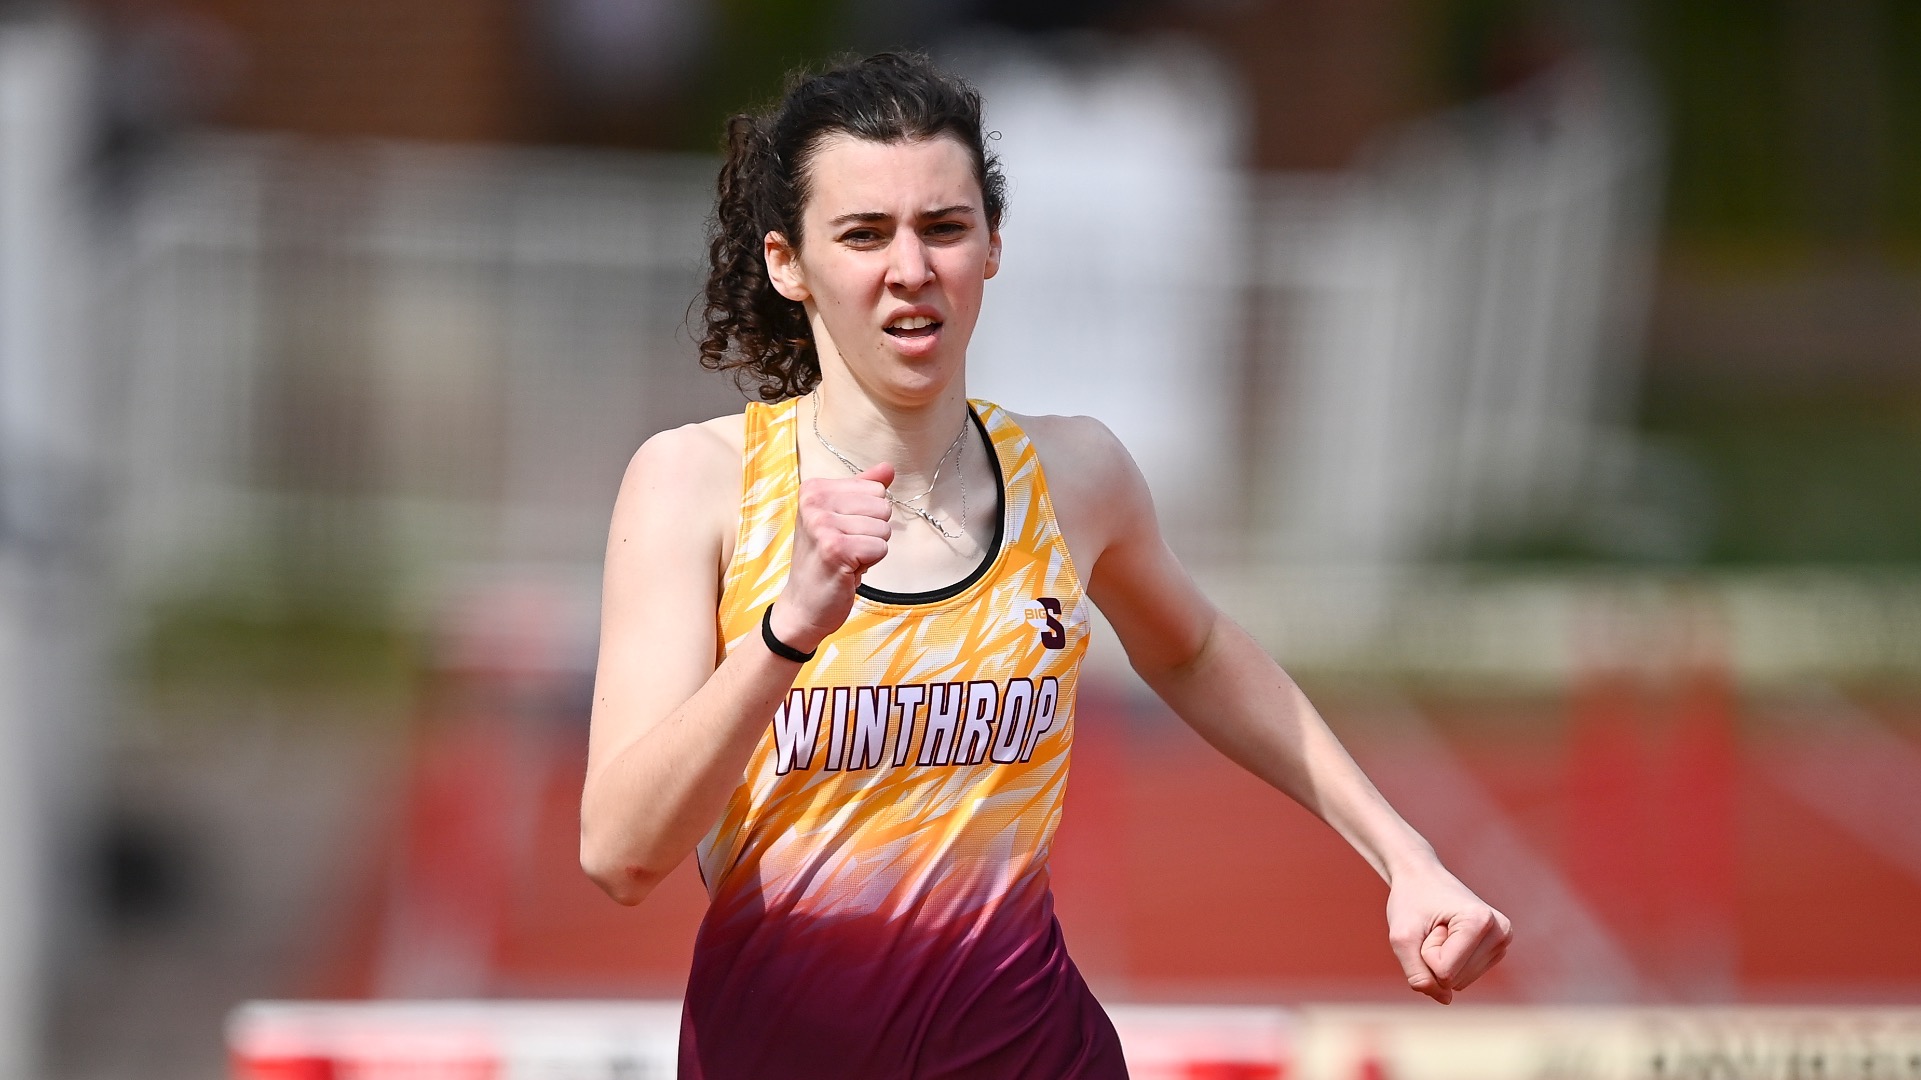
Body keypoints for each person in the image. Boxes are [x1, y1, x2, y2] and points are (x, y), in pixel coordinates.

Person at [580, 52, 1511, 1079]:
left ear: (990, 247)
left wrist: (1402, 857)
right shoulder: (697, 486)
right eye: (862, 233)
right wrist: (784, 631)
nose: (910, 268)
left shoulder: (1073, 475)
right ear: (786, 263)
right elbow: (621, 852)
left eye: (943, 227)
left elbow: (1195, 651)